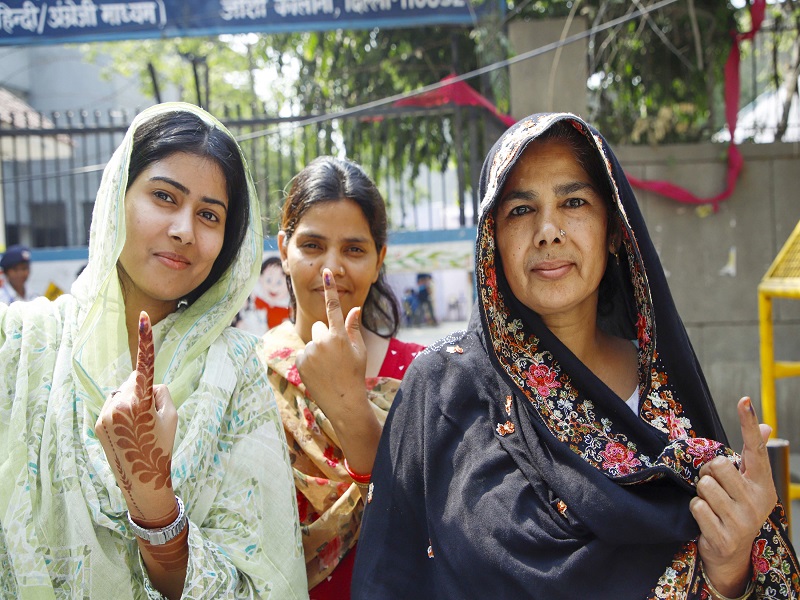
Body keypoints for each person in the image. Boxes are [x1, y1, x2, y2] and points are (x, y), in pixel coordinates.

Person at [352, 113, 799, 599]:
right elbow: (388, 575)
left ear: (613, 229)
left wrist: (730, 566)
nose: (548, 231)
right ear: (491, 240)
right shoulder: (441, 390)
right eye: (521, 210)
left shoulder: (664, 399)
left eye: (574, 202)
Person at [0, 103, 307, 599]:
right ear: (116, 198)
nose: (185, 229)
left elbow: (262, 584)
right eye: (164, 196)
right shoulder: (21, 343)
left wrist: (156, 508)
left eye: (209, 214)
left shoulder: (236, 375)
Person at [257, 156, 425, 600]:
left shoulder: (424, 376)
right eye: (312, 246)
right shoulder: (247, 376)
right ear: (283, 250)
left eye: (354, 249)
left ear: (379, 258)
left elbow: (437, 525)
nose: (331, 268)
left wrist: (352, 406)